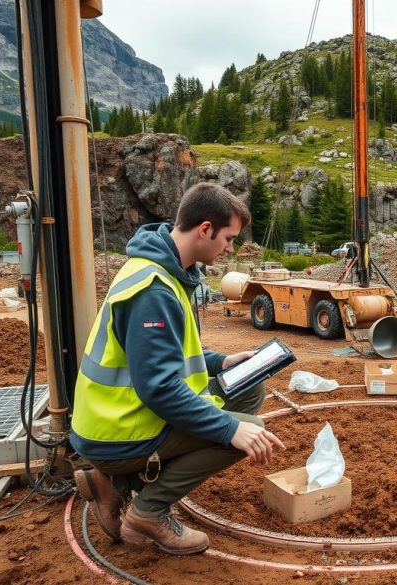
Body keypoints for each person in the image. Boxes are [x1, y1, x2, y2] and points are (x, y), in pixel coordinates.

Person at [70, 182, 286, 555]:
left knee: (250, 388)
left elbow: (165, 354)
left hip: (125, 414)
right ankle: (147, 510)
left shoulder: (163, 267)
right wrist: (230, 428)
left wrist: (221, 361)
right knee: (250, 431)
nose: (230, 248)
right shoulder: (154, 290)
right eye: (229, 238)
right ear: (205, 229)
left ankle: (117, 484)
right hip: (118, 429)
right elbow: (159, 387)